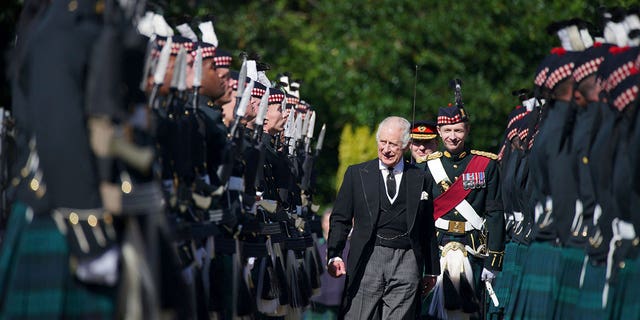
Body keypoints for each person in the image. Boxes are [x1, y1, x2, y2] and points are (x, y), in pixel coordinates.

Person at [327, 116, 439, 319]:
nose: (386, 149)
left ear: (405, 145)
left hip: (407, 260)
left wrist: (431, 269)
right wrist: (334, 254)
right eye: (383, 142)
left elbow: (427, 227)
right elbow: (340, 218)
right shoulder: (357, 174)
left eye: (393, 144)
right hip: (368, 257)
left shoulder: (420, 178)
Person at [425, 104, 505, 320]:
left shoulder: (486, 164)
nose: (453, 136)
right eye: (447, 131)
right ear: (439, 132)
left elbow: (495, 213)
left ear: (467, 131)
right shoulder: (427, 167)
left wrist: (493, 261)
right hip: (437, 248)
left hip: (473, 250)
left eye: (458, 130)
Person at [304, 208, 350, 320]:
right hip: (316, 300)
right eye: (326, 221)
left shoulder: (347, 246)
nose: (329, 225)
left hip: (338, 300)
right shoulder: (313, 246)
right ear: (322, 223)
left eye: (332, 221)